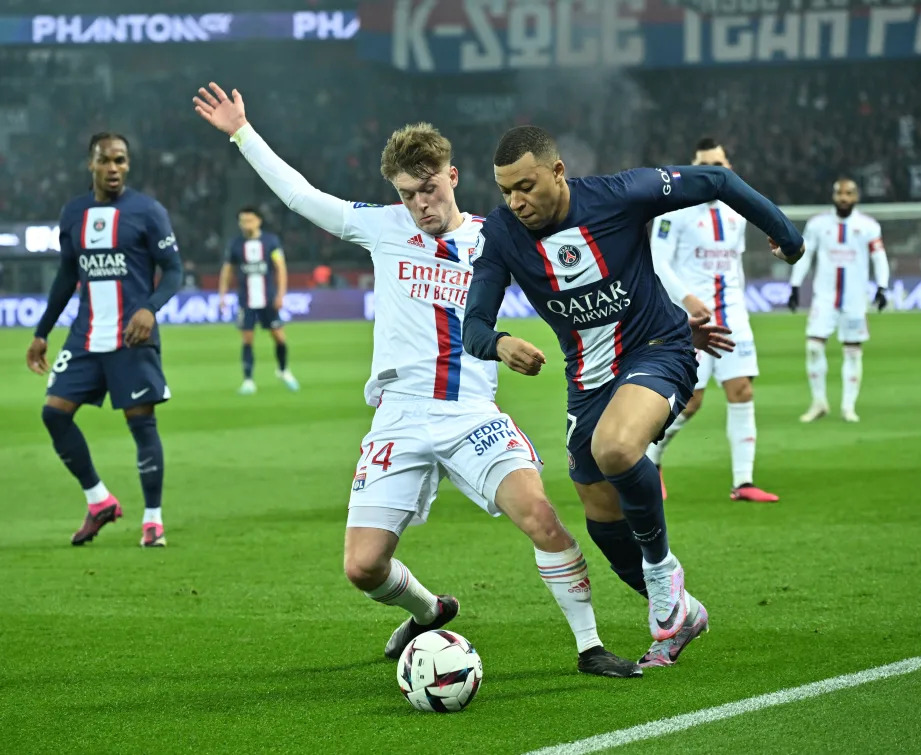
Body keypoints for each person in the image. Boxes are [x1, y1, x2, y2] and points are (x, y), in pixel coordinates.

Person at [193, 82, 642, 677]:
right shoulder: (382, 228)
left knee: (541, 517)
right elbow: (301, 197)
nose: (420, 205)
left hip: (472, 415)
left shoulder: (497, 237)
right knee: (363, 568)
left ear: (452, 176)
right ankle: (430, 610)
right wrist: (242, 134)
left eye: (428, 189)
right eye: (407, 195)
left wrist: (658, 315)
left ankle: (590, 647)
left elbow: (583, 274)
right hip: (400, 417)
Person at [463, 126, 804, 666]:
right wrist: (500, 343)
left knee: (617, 449)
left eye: (525, 186)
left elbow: (716, 179)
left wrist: (786, 235)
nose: (515, 202)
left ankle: (663, 573)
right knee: (600, 514)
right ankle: (679, 612)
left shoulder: (620, 196)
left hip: (659, 348)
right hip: (587, 383)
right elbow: (473, 325)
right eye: (506, 191)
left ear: (557, 172)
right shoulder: (503, 235)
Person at [26, 132, 183, 548]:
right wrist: (42, 332)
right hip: (85, 335)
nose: (114, 168)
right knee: (54, 413)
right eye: (105, 160)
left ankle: (153, 520)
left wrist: (150, 308)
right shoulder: (73, 213)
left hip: (131, 336)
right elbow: (65, 276)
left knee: (141, 425)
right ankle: (99, 501)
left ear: (127, 165)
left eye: (121, 160)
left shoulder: (148, 211)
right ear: (90, 164)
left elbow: (173, 271)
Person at [647, 138, 778, 503]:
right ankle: (651, 460)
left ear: (729, 168)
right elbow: (658, 263)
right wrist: (687, 300)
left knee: (742, 392)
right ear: (693, 169)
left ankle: (744, 482)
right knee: (690, 402)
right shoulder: (672, 211)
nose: (713, 171)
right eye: (705, 164)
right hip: (692, 321)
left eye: (719, 164)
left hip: (733, 313)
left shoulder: (737, 212)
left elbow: (734, 264)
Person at [788, 178, 889, 423]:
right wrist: (794, 285)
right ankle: (819, 402)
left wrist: (883, 287)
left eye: (849, 194)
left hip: (855, 299)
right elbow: (805, 254)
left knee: (853, 353)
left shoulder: (868, 226)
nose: (844, 198)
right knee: (813, 347)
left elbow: (879, 258)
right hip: (824, 297)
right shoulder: (817, 224)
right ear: (833, 196)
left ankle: (848, 406)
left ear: (856, 197)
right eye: (840, 193)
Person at [218, 206, 299, 394]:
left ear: (258, 221)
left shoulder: (271, 241)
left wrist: (280, 294)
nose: (246, 224)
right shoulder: (235, 244)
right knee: (247, 339)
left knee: (279, 337)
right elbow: (227, 270)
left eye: (249, 220)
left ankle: (283, 370)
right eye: (242, 221)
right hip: (245, 300)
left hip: (268, 299)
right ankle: (248, 380)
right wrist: (222, 295)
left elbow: (280, 268)